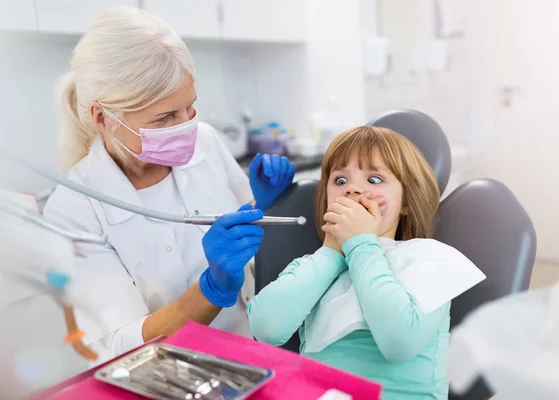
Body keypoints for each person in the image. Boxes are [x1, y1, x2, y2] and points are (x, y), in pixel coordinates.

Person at [42, 6, 295, 363]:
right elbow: (117, 344)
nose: (186, 126)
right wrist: (212, 288)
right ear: (103, 117)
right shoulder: (75, 209)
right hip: (169, 375)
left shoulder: (205, 140)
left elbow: (250, 237)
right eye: (165, 118)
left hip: (251, 353)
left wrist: (265, 205)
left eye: (189, 107)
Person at [247, 126, 485, 399]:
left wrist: (360, 243)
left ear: (405, 201)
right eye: (339, 181)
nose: (353, 190)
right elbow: (266, 329)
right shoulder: (311, 266)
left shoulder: (430, 258)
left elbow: (399, 343)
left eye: (373, 180)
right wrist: (332, 252)